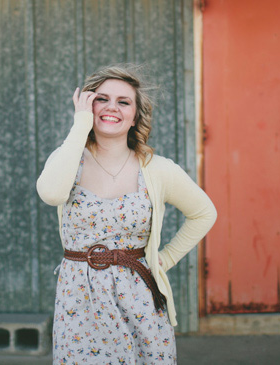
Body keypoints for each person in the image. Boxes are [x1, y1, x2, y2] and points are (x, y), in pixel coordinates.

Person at [37, 64, 217, 364]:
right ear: (88, 106)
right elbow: (51, 194)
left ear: (135, 116)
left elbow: (204, 213)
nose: (112, 108)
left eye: (124, 102)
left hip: (139, 295)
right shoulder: (68, 158)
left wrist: (166, 258)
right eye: (101, 99)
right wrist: (80, 126)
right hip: (79, 301)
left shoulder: (158, 169)